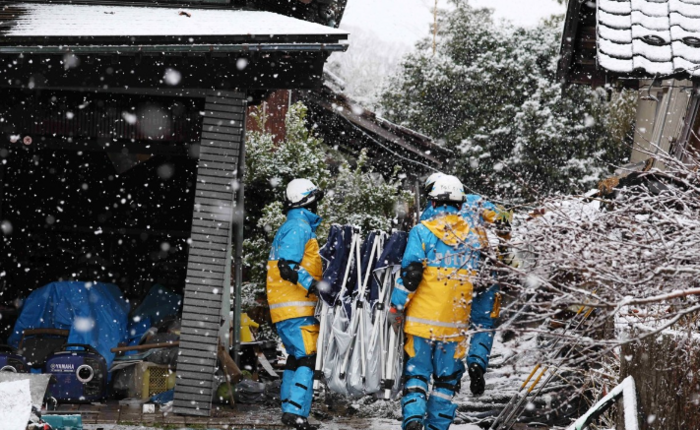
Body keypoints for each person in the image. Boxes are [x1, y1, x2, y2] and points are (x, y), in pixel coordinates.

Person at [389, 174, 501, 430]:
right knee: (446, 383)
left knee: (416, 374)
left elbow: (411, 276)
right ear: (461, 203)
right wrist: (478, 355)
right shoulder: (475, 242)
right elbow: (484, 295)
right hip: (454, 330)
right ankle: (437, 426)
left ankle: (414, 418)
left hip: (420, 327)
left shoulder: (421, 232)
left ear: (433, 202)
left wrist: (396, 308)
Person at [266, 178, 324, 430]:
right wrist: (315, 285)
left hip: (286, 308)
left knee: (295, 358)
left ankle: (290, 408)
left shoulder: (292, 226)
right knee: (306, 358)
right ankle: (296, 413)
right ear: (309, 202)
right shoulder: (299, 226)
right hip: (297, 307)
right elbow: (287, 267)